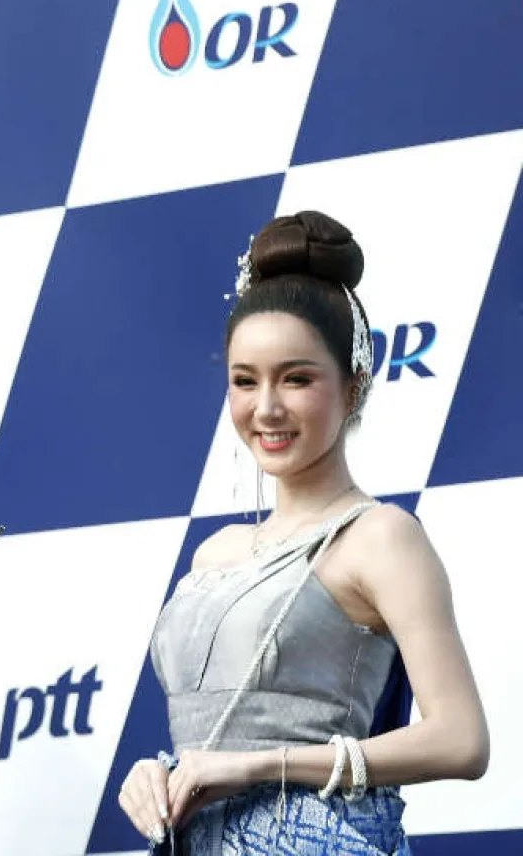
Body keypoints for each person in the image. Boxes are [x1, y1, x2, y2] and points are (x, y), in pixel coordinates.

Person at [117, 211, 488, 853]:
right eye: (244, 381)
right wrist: (157, 776)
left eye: (296, 378)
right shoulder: (213, 553)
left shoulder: (380, 536)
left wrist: (264, 766)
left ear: (354, 386)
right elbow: (211, 734)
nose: (266, 408)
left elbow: (462, 739)